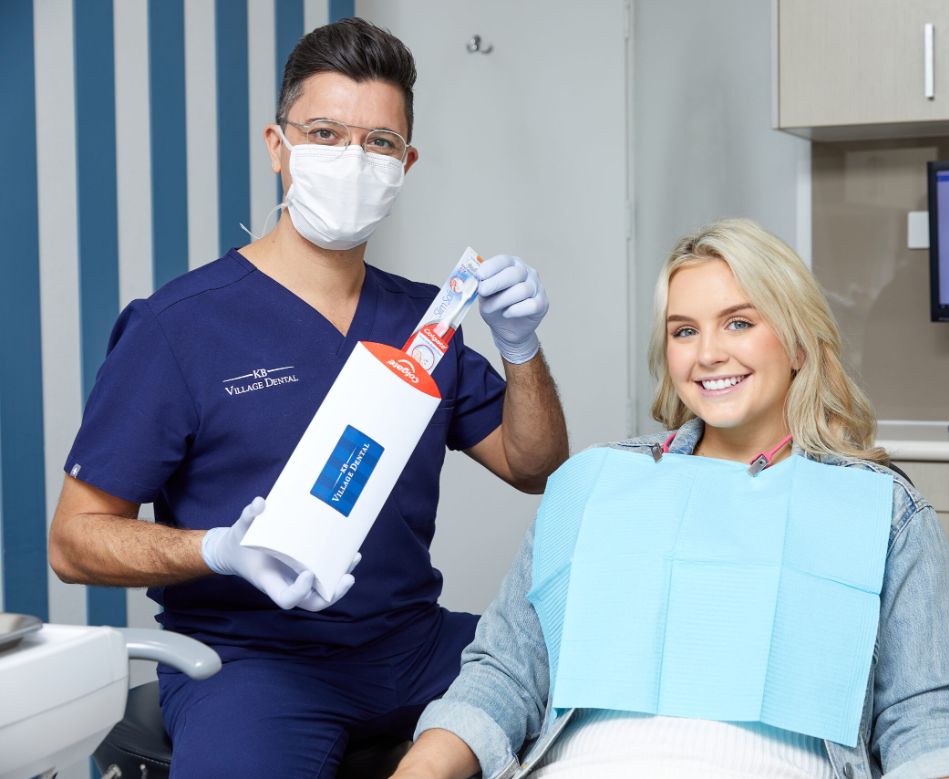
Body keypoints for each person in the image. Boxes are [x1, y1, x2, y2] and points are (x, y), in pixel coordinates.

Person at [47, 17, 568, 779]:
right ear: (277, 146)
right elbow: (74, 540)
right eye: (325, 132)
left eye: (379, 143)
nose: (352, 160)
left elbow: (533, 464)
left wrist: (521, 349)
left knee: (602, 699)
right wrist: (218, 548)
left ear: (406, 162)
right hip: (257, 664)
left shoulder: (427, 325)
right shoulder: (178, 327)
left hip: (415, 647)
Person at [391, 218, 949, 779]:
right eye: (685, 331)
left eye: (739, 322)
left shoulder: (883, 512)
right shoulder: (595, 485)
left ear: (797, 343)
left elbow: (930, 719)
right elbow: (504, 675)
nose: (709, 353)